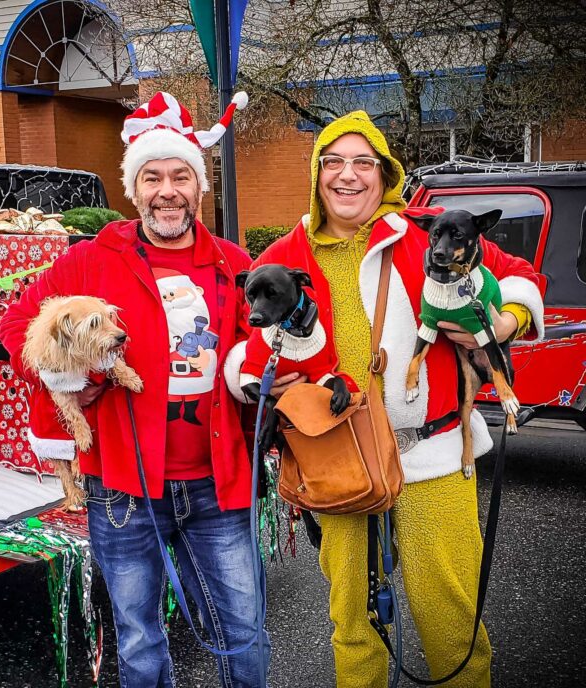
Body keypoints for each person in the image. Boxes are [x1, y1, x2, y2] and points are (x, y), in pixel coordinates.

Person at [232, 110, 544, 687]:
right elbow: (243, 346)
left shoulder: (424, 232)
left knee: (452, 626)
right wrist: (254, 377)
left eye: (362, 163)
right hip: (337, 461)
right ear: (315, 173)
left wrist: (509, 320)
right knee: (354, 624)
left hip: (434, 457)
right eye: (333, 162)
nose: (347, 176)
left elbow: (519, 275)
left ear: (384, 174)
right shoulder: (285, 254)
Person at [0, 91, 270, 687]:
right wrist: (75, 376)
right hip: (124, 485)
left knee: (244, 631)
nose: (167, 190)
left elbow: (259, 344)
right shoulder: (91, 259)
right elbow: (17, 328)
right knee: (140, 640)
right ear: (133, 187)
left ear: (199, 188)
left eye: (180, 176)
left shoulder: (231, 261)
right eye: (153, 177)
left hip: (217, 483)